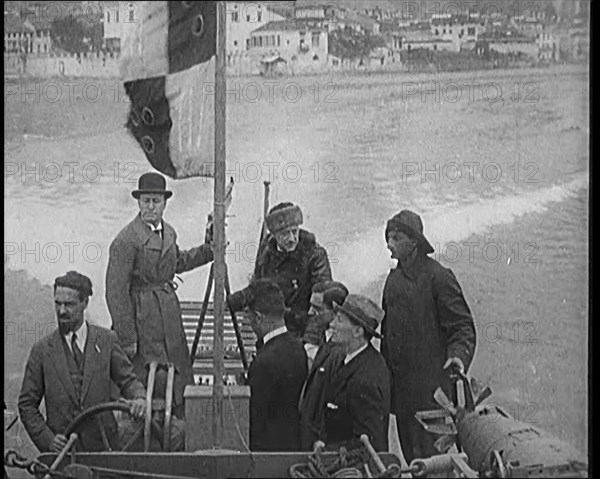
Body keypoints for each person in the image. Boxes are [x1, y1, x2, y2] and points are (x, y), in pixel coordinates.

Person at [106, 172, 214, 418]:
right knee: (146, 378)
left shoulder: (169, 233)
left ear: (165, 204)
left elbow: (177, 261)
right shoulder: (126, 241)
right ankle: (148, 433)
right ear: (139, 203)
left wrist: (208, 251)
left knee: (175, 372)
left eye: (156, 201)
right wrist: (127, 337)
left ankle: (178, 421)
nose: (151, 207)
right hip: (142, 318)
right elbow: (115, 292)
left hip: (168, 315)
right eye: (146, 201)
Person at [381, 210, 477, 463]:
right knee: (414, 460)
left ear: (414, 241)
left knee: (436, 462)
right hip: (402, 395)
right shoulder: (393, 281)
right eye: (388, 238)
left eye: (396, 237)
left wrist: (458, 357)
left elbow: (462, 327)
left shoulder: (439, 277)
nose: (389, 244)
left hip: (433, 394)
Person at [18, 271, 146, 453]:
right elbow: (27, 405)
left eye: (69, 305)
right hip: (63, 458)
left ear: (85, 303)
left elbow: (128, 380)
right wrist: (49, 441)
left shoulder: (106, 340)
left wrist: (139, 398)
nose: (61, 311)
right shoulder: (42, 351)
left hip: (106, 454)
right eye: (58, 304)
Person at [228, 202, 332, 338]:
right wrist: (235, 300)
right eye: (284, 234)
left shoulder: (314, 255)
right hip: (271, 330)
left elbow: (322, 305)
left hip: (302, 332)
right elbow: (259, 287)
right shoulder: (266, 253)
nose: (291, 239)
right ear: (274, 235)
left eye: (294, 231)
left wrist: (310, 341)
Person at [319, 294, 391, 452]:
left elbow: (369, 444)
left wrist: (328, 450)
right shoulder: (346, 358)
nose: (332, 324)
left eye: (339, 320)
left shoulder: (367, 379)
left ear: (358, 331)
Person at [246, 279, 308, 451]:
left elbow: (254, 420)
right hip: (292, 446)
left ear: (258, 317)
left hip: (267, 454)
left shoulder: (264, 362)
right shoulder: (298, 348)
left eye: (250, 318)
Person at [298, 281, 349, 451]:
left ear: (336, 311)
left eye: (318, 308)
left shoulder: (342, 351)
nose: (310, 312)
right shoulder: (321, 333)